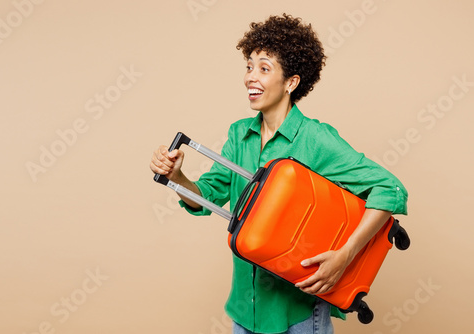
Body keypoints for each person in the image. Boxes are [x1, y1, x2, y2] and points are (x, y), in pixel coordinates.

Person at [150, 13, 408, 334]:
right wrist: (177, 177)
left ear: (291, 82)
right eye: (249, 66)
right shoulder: (239, 134)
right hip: (245, 309)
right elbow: (207, 197)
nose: (250, 77)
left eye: (264, 68)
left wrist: (344, 256)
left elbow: (390, 189)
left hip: (299, 314)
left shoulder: (315, 138)